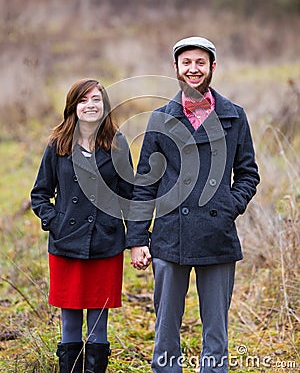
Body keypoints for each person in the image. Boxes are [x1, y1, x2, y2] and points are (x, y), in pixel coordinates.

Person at [126, 36, 260, 373]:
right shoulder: (160, 119)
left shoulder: (234, 117)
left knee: (216, 328)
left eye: (200, 62)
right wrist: (138, 239)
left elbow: (248, 174)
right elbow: (145, 183)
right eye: (186, 63)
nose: (193, 69)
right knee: (167, 326)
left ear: (212, 67)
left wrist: (230, 204)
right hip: (171, 236)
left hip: (217, 235)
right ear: (176, 68)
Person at [31, 78, 133, 373]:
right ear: (73, 107)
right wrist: (55, 222)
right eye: (84, 100)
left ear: (105, 106)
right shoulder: (58, 144)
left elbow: (130, 194)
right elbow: (40, 193)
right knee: (70, 319)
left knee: (99, 323)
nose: (91, 105)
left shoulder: (117, 144)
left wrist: (134, 235)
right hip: (66, 244)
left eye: (96, 99)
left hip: (106, 243)